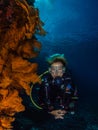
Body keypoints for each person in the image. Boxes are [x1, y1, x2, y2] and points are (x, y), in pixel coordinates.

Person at [38, 54, 78, 119]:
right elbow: (40, 100)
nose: (56, 73)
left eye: (59, 69)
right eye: (53, 69)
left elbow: (75, 97)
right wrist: (50, 111)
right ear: (49, 70)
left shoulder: (69, 82)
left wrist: (67, 109)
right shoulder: (45, 83)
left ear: (64, 70)